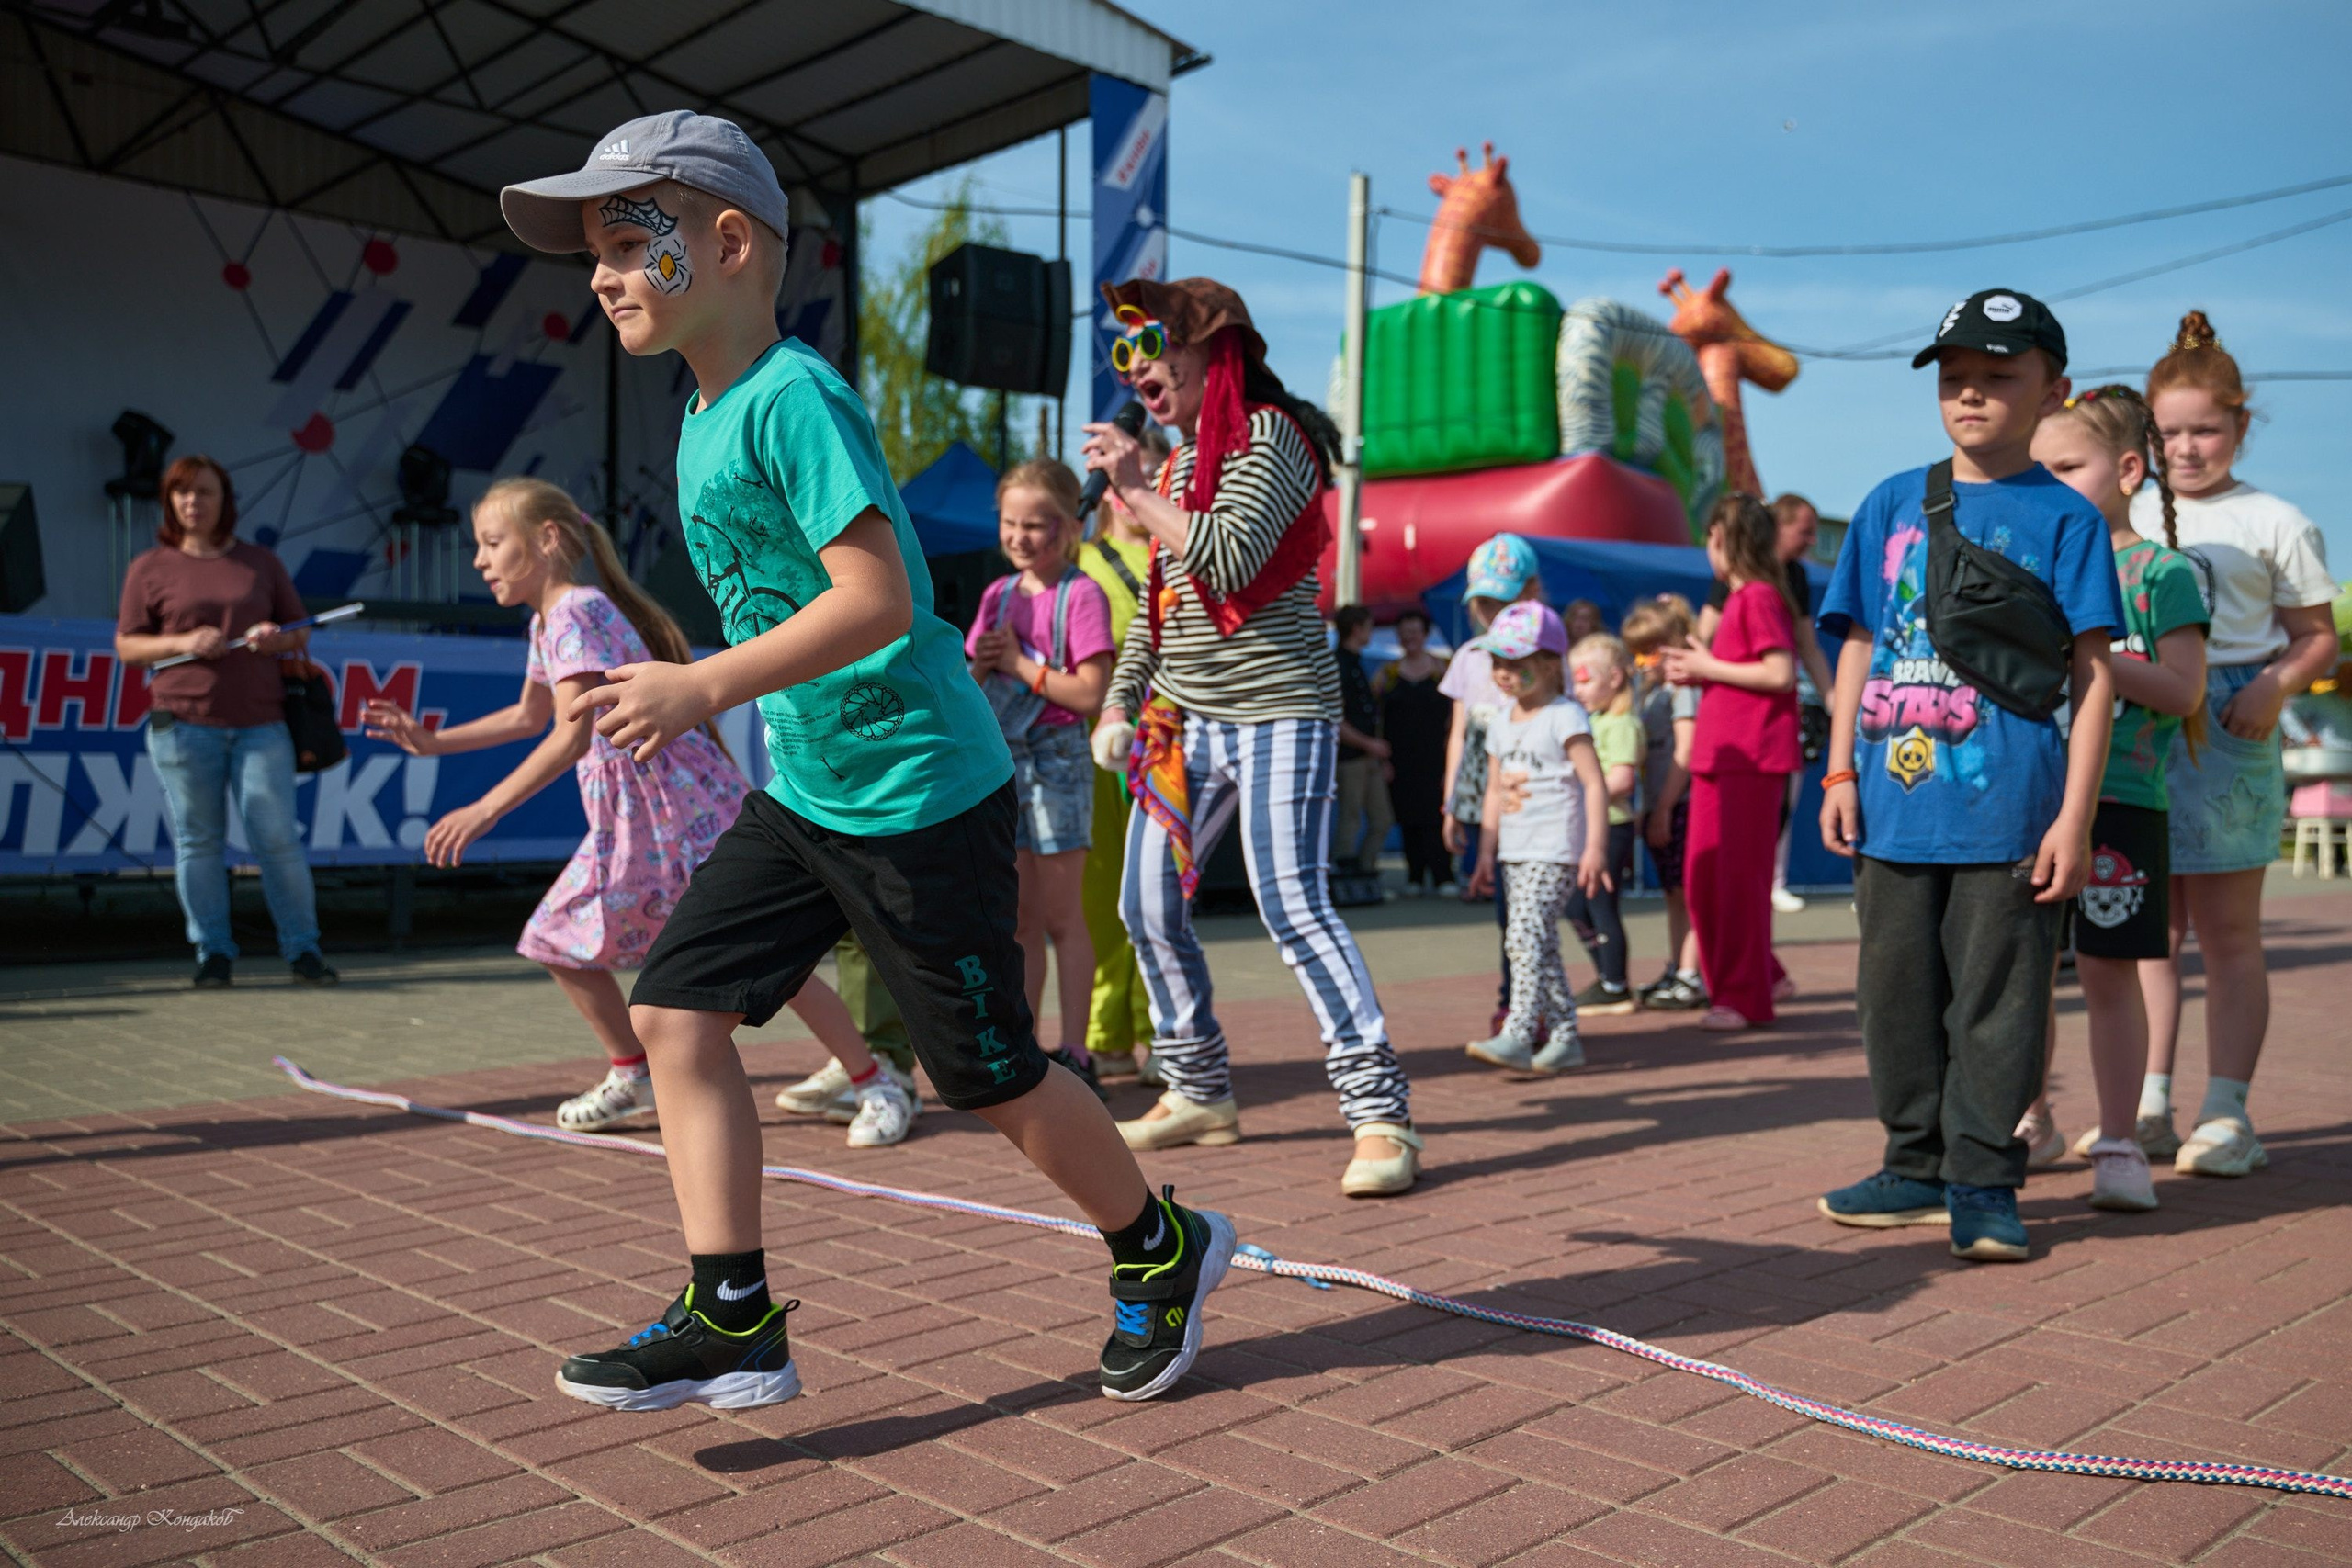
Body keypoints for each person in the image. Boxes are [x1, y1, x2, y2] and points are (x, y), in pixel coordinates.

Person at [499, 111, 1233, 1411]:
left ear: (728, 244)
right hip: (809, 794)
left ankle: (1158, 1246)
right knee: (674, 1009)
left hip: (919, 793)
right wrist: (698, 682)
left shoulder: (796, 397)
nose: (602, 275)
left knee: (989, 1073)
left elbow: (880, 601)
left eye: (625, 242)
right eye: (595, 252)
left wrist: (702, 686)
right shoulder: (702, 411)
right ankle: (733, 1316)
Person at [366, 479, 922, 1149]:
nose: (480, 560)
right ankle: (637, 1072)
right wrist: (433, 742)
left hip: (675, 809)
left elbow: (569, 737)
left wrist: (483, 810)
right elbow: (530, 715)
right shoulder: (549, 620)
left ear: (547, 540)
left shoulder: (574, 611)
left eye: (492, 542)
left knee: (762, 948)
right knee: (558, 940)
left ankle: (876, 1082)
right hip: (637, 821)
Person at [1083, 276, 1422, 1197]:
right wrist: (1118, 703)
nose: (1137, 367)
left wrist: (1132, 490)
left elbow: (1226, 557)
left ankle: (1380, 1114)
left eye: (1153, 344)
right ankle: (1198, 1088)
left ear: (1214, 349)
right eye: (1125, 352)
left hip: (1280, 708)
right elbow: (1157, 610)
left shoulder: (1275, 438)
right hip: (1183, 719)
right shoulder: (1170, 471)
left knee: (1292, 903)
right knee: (1145, 903)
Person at [1815, 288, 2121, 1263]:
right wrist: (1836, 771)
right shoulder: (1887, 503)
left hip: (2013, 811)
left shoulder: (2067, 519)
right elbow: (1857, 641)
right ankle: (1912, 1167)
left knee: (2000, 1002)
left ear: (2052, 390)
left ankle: (1984, 1180)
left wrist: (2074, 817)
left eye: (1999, 376)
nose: (1972, 394)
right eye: (1955, 378)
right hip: (1892, 805)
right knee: (1893, 996)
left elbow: (2095, 676)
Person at [2131, 312, 2337, 1178]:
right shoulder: (2123, 509)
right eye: (2169, 432)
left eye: (2205, 430)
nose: (2186, 448)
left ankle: (2226, 1110)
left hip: (2231, 722)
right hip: (2139, 724)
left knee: (2228, 932)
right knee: (2147, 928)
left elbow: (2319, 636)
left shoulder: (2277, 519)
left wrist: (2272, 685)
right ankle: (2144, 1102)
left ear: (2241, 425)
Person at [2022, 386, 2209, 1211]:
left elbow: (2184, 690)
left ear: (2129, 469)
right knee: (2023, 972)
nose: (2049, 483)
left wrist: (2090, 657)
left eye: (2067, 466)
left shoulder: (2163, 573)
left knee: (2107, 973)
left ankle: (2122, 1139)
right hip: (2031, 796)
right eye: (2039, 469)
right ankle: (2030, 1120)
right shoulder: (2034, 567)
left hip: (2125, 802)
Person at [116, 456, 337, 990]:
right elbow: (127, 646)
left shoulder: (260, 562)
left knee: (277, 838)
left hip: (262, 724)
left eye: (205, 492)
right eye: (182, 492)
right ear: (170, 502)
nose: (193, 502)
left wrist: (273, 637)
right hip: (182, 723)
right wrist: (184, 642)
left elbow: (300, 630)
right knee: (198, 841)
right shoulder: (149, 567)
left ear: (225, 500)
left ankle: (303, 950)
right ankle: (212, 952)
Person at [967, 459, 1117, 1092]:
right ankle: (1027, 1048)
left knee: (1062, 917)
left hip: (1056, 760)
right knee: (1022, 919)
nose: (1021, 536)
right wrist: (982, 665)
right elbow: (971, 684)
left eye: (1035, 524)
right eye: (1011, 523)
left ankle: (1077, 1050)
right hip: (1006, 760)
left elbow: (1089, 694)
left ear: (1067, 525)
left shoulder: (1082, 595)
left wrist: (1019, 664)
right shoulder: (997, 596)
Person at [1664, 494, 1802, 1032]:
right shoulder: (1747, 598)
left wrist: (1707, 667)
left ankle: (1744, 995)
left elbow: (1779, 673)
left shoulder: (1759, 597)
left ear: (1722, 538)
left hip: (1751, 757)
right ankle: (1759, 977)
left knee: (1735, 882)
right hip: (1724, 756)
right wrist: (1697, 669)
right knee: (1706, 879)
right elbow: (1747, 671)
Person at [1463, 604, 1611, 1072]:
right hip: (1514, 850)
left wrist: (1595, 847)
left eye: (1515, 663)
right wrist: (1486, 852)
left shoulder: (1564, 716)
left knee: (1524, 936)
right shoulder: (1501, 721)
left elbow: (1594, 783)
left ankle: (1520, 1032)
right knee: (1538, 943)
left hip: (1556, 849)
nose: (1503, 674)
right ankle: (1566, 1038)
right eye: (1497, 663)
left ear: (1549, 664)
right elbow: (1493, 790)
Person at [1077, 427, 1171, 1082]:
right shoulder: (1079, 563)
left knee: (1160, 893)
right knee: (1099, 895)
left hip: (1168, 745)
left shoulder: (1181, 555)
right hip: (1093, 750)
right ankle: (1105, 1032)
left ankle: (1163, 1030)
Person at [1698, 492, 1837, 915]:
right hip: (1736, 734)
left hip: (1758, 735)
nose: (1811, 541)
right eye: (1805, 531)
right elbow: (1705, 636)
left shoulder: (1762, 593)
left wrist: (1833, 700)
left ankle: (1773, 882)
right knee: (1728, 859)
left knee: (1764, 826)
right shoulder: (1742, 588)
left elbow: (1791, 661)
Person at [1441, 535, 1546, 1028]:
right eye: (1484, 602)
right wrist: (1450, 803)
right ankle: (1516, 1002)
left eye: (1503, 601)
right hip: (1484, 803)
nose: (1492, 612)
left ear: (1532, 592)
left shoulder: (1545, 658)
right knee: (1509, 910)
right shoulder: (1468, 657)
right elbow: (1459, 735)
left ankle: (1535, 1001)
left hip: (1532, 803)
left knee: (1534, 912)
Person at [1623, 596, 1705, 1010]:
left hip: (1682, 804)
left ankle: (1692, 973)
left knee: (1689, 893)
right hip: (1661, 803)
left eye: (1650, 651)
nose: (1642, 662)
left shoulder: (1682, 691)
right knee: (1674, 892)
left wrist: (1664, 808)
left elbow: (1685, 752)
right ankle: (1679, 966)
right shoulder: (1653, 693)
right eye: (1636, 652)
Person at [1566, 633, 1642, 1013]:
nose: (1577, 690)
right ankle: (1608, 977)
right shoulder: (1594, 721)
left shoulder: (1621, 723)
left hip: (1612, 827)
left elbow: (1623, 780)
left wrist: (1584, 795)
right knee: (1577, 905)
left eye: (1585, 680)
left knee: (1600, 905)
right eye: (1575, 682)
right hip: (1592, 828)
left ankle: (1615, 984)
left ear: (1614, 678)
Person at [1376, 608, 1453, 897]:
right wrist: (1382, 759)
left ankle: (1444, 875)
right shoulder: (1387, 674)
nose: (1410, 637)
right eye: (1404, 632)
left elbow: (1457, 714)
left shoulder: (1442, 669)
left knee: (1437, 814)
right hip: (1400, 759)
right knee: (1407, 816)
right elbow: (1375, 717)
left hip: (1437, 756)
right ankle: (1415, 875)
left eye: (1415, 632)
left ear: (1425, 634)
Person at [1330, 604, 1396, 875]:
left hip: (1370, 756)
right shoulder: (1339, 665)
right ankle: (1344, 874)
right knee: (1351, 817)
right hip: (1350, 757)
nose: (1371, 633)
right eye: (1368, 627)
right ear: (1356, 629)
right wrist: (1369, 744)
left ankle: (1365, 870)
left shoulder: (1357, 663)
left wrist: (1378, 753)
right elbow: (1336, 719)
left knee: (1382, 818)